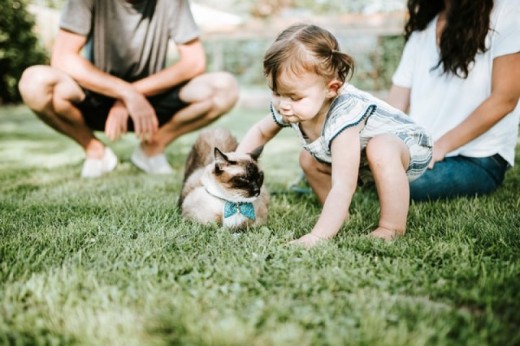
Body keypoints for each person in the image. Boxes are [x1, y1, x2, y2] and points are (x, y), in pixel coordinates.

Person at [237, 24, 433, 246]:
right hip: (364, 154)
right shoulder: (289, 104)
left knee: (380, 148)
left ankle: (391, 226)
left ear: (331, 88)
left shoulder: (344, 115)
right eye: (276, 92)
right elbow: (261, 131)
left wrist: (317, 236)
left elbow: (343, 184)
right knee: (308, 158)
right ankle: (341, 217)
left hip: (408, 145)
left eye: (294, 97)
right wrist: (233, 163)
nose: (283, 105)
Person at [18, 0, 239, 178]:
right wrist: (126, 93)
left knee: (224, 88)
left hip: (152, 104)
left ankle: (152, 147)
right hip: (95, 98)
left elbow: (194, 62)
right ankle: (95, 151)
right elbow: (63, 57)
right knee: (34, 82)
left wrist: (134, 94)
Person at [386, 0, 520, 201]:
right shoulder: (422, 32)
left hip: (479, 158)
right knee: (376, 167)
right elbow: (395, 104)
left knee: (396, 182)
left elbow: (505, 99)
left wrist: (440, 147)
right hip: (421, 154)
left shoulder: (508, 11)